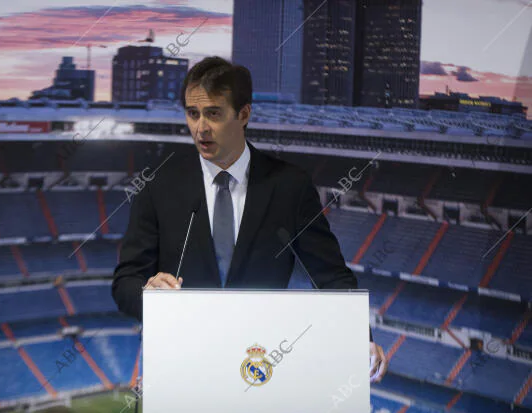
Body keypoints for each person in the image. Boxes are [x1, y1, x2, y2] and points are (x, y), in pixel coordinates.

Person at [112, 56, 387, 383]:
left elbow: (332, 277)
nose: (201, 128)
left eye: (213, 113)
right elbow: (125, 282)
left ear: (243, 114)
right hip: (180, 372)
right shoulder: (159, 184)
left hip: (258, 370)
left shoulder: (289, 186)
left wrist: (362, 338)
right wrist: (148, 291)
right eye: (192, 113)